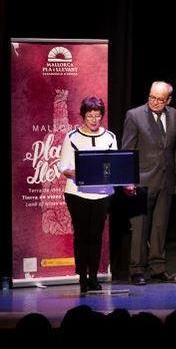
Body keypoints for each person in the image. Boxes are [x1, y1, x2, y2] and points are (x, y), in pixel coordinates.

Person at [122, 81, 176, 285]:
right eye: (152, 97)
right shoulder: (134, 115)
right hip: (141, 181)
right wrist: (127, 180)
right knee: (140, 227)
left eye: (160, 99)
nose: (155, 102)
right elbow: (127, 149)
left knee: (159, 226)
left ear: (168, 100)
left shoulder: (174, 115)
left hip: (166, 180)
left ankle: (158, 267)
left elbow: (173, 150)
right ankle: (137, 269)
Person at [59, 97, 116, 294]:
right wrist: (83, 172)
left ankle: (93, 277)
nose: (93, 120)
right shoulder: (72, 137)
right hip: (77, 193)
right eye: (90, 116)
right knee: (81, 235)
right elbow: (63, 167)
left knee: (96, 235)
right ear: (83, 116)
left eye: (97, 116)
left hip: (102, 194)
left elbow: (113, 165)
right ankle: (82, 277)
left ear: (102, 116)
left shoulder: (110, 137)